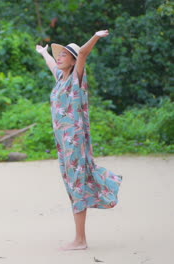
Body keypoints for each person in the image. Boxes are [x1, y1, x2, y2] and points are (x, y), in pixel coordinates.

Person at [35, 30, 122, 250]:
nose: (60, 57)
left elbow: (83, 53)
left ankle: (80, 240)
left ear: (73, 61)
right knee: (71, 185)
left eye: (65, 55)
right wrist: (44, 53)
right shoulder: (60, 77)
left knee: (77, 185)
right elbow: (51, 65)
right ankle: (80, 236)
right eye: (59, 54)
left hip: (75, 141)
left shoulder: (76, 77)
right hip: (63, 144)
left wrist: (95, 37)